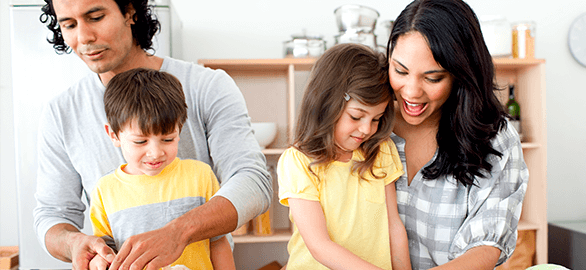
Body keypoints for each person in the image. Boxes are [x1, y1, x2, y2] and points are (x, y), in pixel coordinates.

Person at [35, 0, 272, 269]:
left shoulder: (207, 86)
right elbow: (52, 214)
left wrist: (179, 232)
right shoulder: (61, 113)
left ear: (130, 11)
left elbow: (253, 182)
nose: (83, 37)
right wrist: (73, 243)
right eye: (69, 24)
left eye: (96, 17)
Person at [386, 0, 529, 269]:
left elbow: (486, 249)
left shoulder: (495, 138)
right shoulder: (368, 128)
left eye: (432, 78)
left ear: (461, 73)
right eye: (400, 71)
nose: (411, 91)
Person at [277, 43, 411, 270]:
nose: (367, 129)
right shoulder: (298, 161)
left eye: (376, 119)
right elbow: (320, 246)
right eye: (356, 116)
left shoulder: (381, 150)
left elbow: (394, 226)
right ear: (326, 104)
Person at [88, 68, 235, 270]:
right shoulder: (105, 190)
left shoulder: (201, 176)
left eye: (167, 139)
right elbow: (105, 252)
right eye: (140, 142)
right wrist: (97, 260)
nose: (155, 153)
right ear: (114, 135)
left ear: (179, 129)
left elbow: (218, 242)